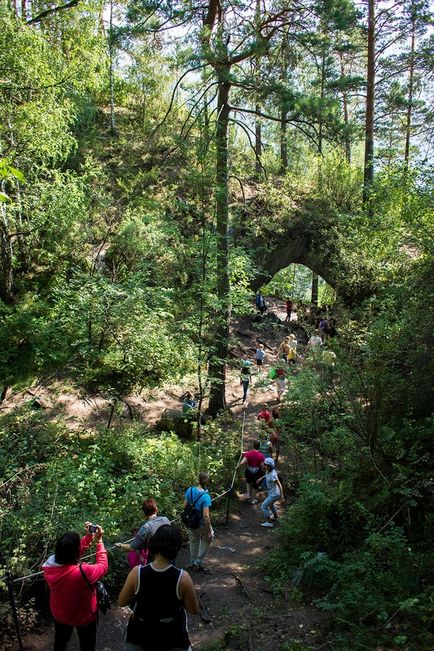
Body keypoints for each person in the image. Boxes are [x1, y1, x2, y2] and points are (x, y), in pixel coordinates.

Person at [119, 524, 199, 651]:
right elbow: (193, 610)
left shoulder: (137, 573)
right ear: (177, 548)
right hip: (172, 636)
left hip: (141, 635)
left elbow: (122, 601)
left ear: (153, 544)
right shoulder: (183, 578)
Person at [42, 523, 108, 651]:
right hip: (84, 617)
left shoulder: (49, 567)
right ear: (75, 551)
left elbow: (70, 554)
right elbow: (103, 566)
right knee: (87, 645)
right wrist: (99, 541)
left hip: (61, 614)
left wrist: (89, 537)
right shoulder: (84, 572)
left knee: (60, 642)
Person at [115, 498, 170, 569]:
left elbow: (132, 548)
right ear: (156, 509)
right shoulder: (165, 520)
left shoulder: (145, 528)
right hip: (168, 556)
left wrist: (120, 545)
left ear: (144, 512)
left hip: (153, 561)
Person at [183, 472, 213, 573]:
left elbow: (185, 506)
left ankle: (192, 561)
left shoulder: (190, 490)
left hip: (191, 522)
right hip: (201, 524)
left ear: (198, 480)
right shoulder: (206, 496)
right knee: (208, 538)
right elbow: (206, 516)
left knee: (193, 541)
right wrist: (209, 531)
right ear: (207, 482)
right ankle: (198, 561)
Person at [258, 458, 284, 528]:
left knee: (263, 506)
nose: (266, 467)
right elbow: (267, 474)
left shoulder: (273, 475)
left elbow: (279, 485)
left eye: (268, 465)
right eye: (265, 465)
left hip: (275, 494)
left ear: (271, 466)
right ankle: (275, 516)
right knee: (270, 504)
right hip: (272, 492)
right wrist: (261, 478)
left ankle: (269, 522)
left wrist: (282, 496)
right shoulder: (268, 471)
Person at [237, 440, 265, 504]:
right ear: (259, 446)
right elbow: (263, 466)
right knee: (255, 485)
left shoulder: (248, 453)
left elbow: (242, 462)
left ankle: (248, 495)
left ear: (253, 446)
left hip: (249, 471)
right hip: (257, 472)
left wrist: (237, 467)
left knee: (248, 482)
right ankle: (253, 499)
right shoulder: (261, 455)